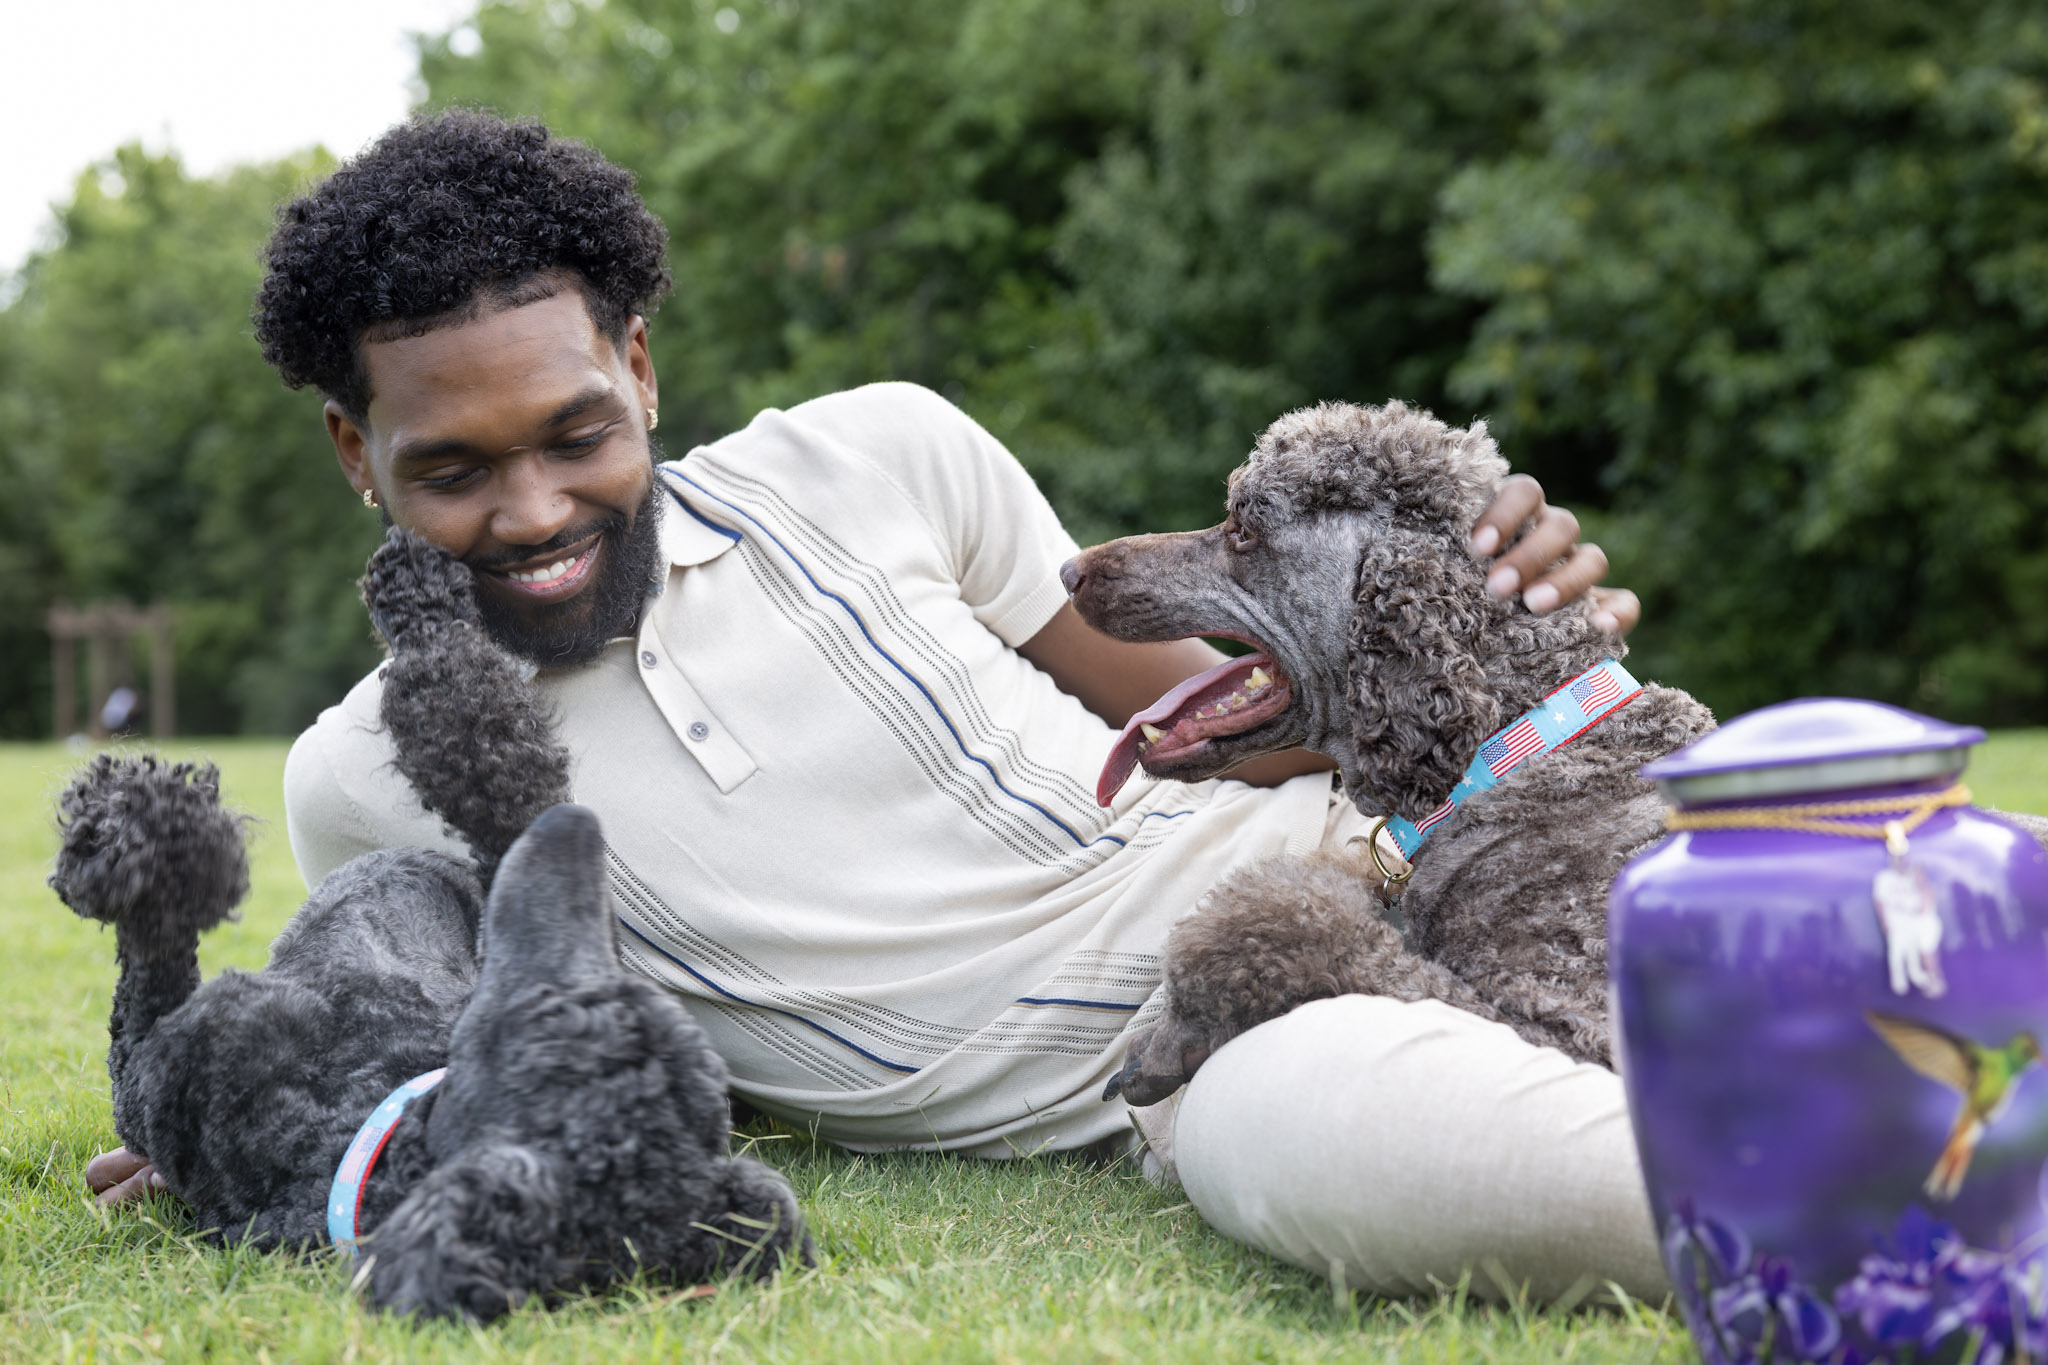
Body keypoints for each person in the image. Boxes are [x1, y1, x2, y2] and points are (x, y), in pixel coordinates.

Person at [89, 111, 1663, 1301]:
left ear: (639, 367)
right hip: (1202, 1055)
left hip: (1435, 854)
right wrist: (260, 1124)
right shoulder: (365, 772)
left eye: (575, 431)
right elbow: (478, 1047)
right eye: (453, 468)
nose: (533, 509)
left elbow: (1238, 714)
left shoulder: (878, 452)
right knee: (1340, 1137)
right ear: (358, 457)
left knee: (1757, 870)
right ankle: (1846, 1190)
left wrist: (1499, 607)